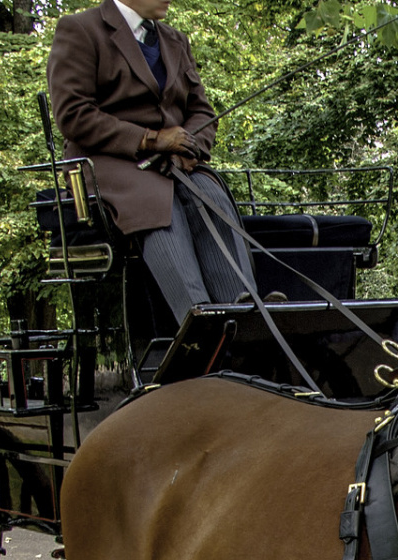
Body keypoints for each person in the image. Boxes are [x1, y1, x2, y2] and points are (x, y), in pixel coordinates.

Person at [47, 0, 263, 322]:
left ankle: (244, 312)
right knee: (156, 201)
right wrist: (151, 139)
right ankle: (198, 319)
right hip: (110, 162)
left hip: (173, 162)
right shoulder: (81, 30)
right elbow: (74, 114)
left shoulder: (175, 40)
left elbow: (201, 111)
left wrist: (187, 146)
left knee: (211, 195)